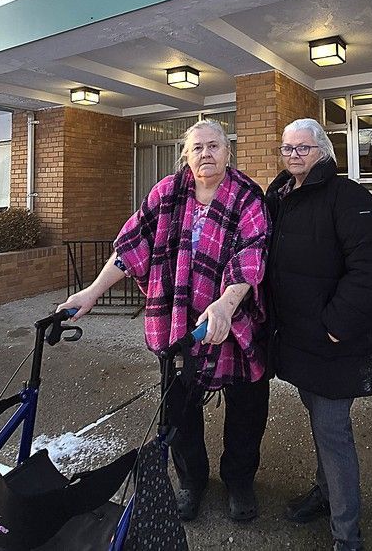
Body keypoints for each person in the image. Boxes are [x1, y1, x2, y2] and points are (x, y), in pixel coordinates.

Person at [58, 119, 270, 523]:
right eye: (197, 148)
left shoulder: (247, 197)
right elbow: (130, 246)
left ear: (228, 152)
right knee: (178, 409)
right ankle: (192, 481)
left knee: (247, 408)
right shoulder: (166, 193)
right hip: (179, 325)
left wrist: (225, 305)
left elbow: (252, 255)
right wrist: (92, 291)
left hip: (233, 321)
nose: (205, 153)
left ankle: (239, 480)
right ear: (185, 155)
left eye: (214, 146)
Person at [265, 118, 372, 551]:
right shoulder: (279, 197)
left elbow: (371, 269)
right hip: (300, 340)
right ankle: (325, 492)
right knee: (320, 424)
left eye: (303, 148)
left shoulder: (347, 195)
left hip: (336, 342)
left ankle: (346, 534)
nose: (294, 155)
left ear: (324, 151)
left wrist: (337, 325)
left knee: (333, 430)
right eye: (287, 148)